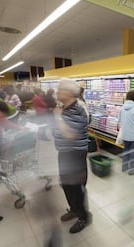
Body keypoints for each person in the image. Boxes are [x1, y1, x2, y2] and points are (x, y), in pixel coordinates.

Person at [53, 79, 90, 234]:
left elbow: (69, 134)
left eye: (60, 89)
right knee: (66, 184)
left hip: (75, 153)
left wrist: (58, 117)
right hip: (64, 153)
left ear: (68, 92)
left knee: (76, 186)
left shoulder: (79, 109)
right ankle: (74, 209)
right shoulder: (64, 108)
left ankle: (83, 216)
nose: (57, 92)